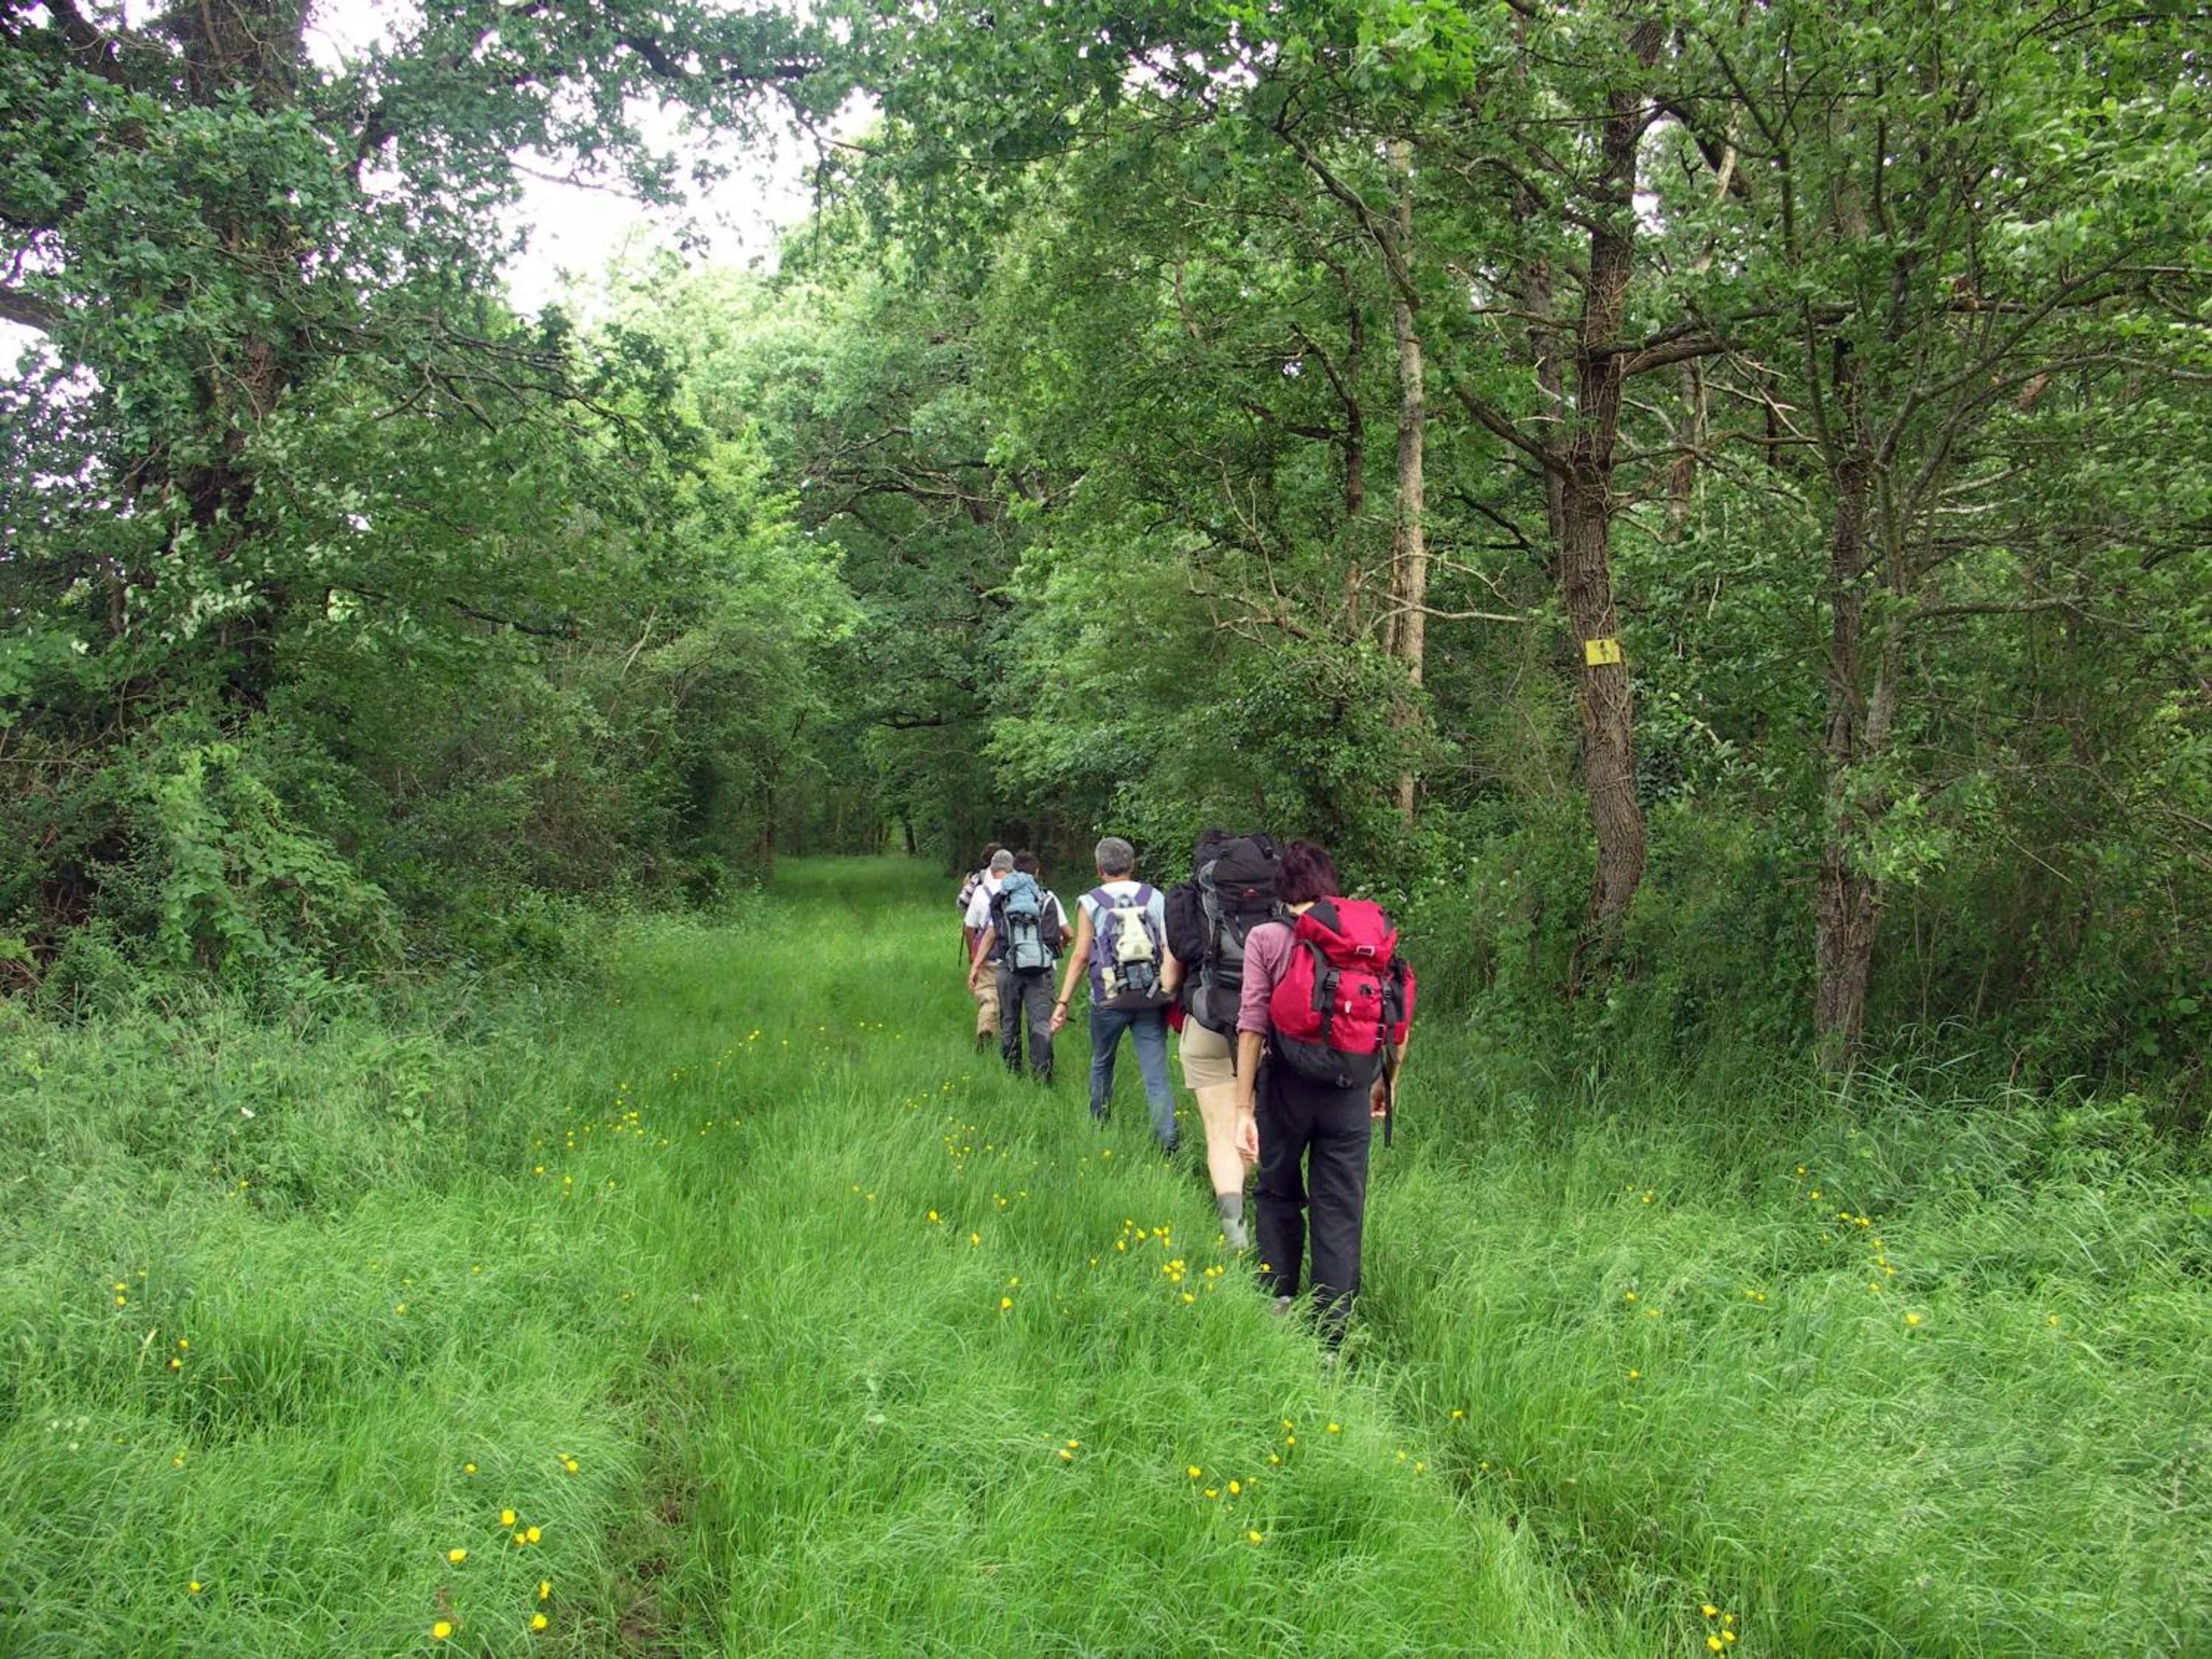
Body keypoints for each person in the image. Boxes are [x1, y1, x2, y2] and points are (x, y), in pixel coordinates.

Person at [1233, 839, 1413, 1348]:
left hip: (1286, 1085)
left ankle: (1278, 1302)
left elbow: (1251, 1024)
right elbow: (1398, 1020)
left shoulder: (1267, 936)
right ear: (1329, 885)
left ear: (1281, 890)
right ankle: (1331, 1334)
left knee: (1276, 1190)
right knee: (1340, 1205)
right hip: (1351, 1091)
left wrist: (1243, 1107)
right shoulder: (1365, 938)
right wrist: (1386, 1087)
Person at [1164, 830, 1282, 1251]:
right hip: (1266, 1027)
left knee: (1220, 1133)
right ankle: (1269, 1208)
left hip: (1207, 1025)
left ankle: (1235, 1233)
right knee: (1255, 1122)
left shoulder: (1192, 901)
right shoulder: (1276, 901)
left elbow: (1169, 978)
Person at [1049, 835, 1178, 1152]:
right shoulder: (1155, 897)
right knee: (1156, 1074)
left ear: (1099, 868)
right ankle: (1169, 1141)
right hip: (1150, 998)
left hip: (1108, 999)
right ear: (1132, 865)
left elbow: (1080, 956)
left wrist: (1063, 1001)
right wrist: (1170, 991)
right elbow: (1168, 947)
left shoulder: (1090, 901)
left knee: (1102, 1063)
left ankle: (1099, 1126)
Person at [966, 850, 1069, 1082]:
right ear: (1037, 872)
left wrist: (976, 966)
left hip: (1007, 967)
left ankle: (1013, 1073)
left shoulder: (1001, 898)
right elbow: (1061, 936)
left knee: (1009, 1021)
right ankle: (1043, 1076)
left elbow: (992, 934)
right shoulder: (1047, 897)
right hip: (1040, 972)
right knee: (1039, 1023)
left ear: (1013, 871)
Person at [961, 848, 1014, 1049]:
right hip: (1015, 956)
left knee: (989, 995)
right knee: (1010, 1001)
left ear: (991, 869)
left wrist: (973, 954)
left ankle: (986, 1029)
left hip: (989, 955)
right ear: (1012, 869)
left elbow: (970, 927)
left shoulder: (981, 892)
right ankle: (1010, 1040)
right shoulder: (1020, 890)